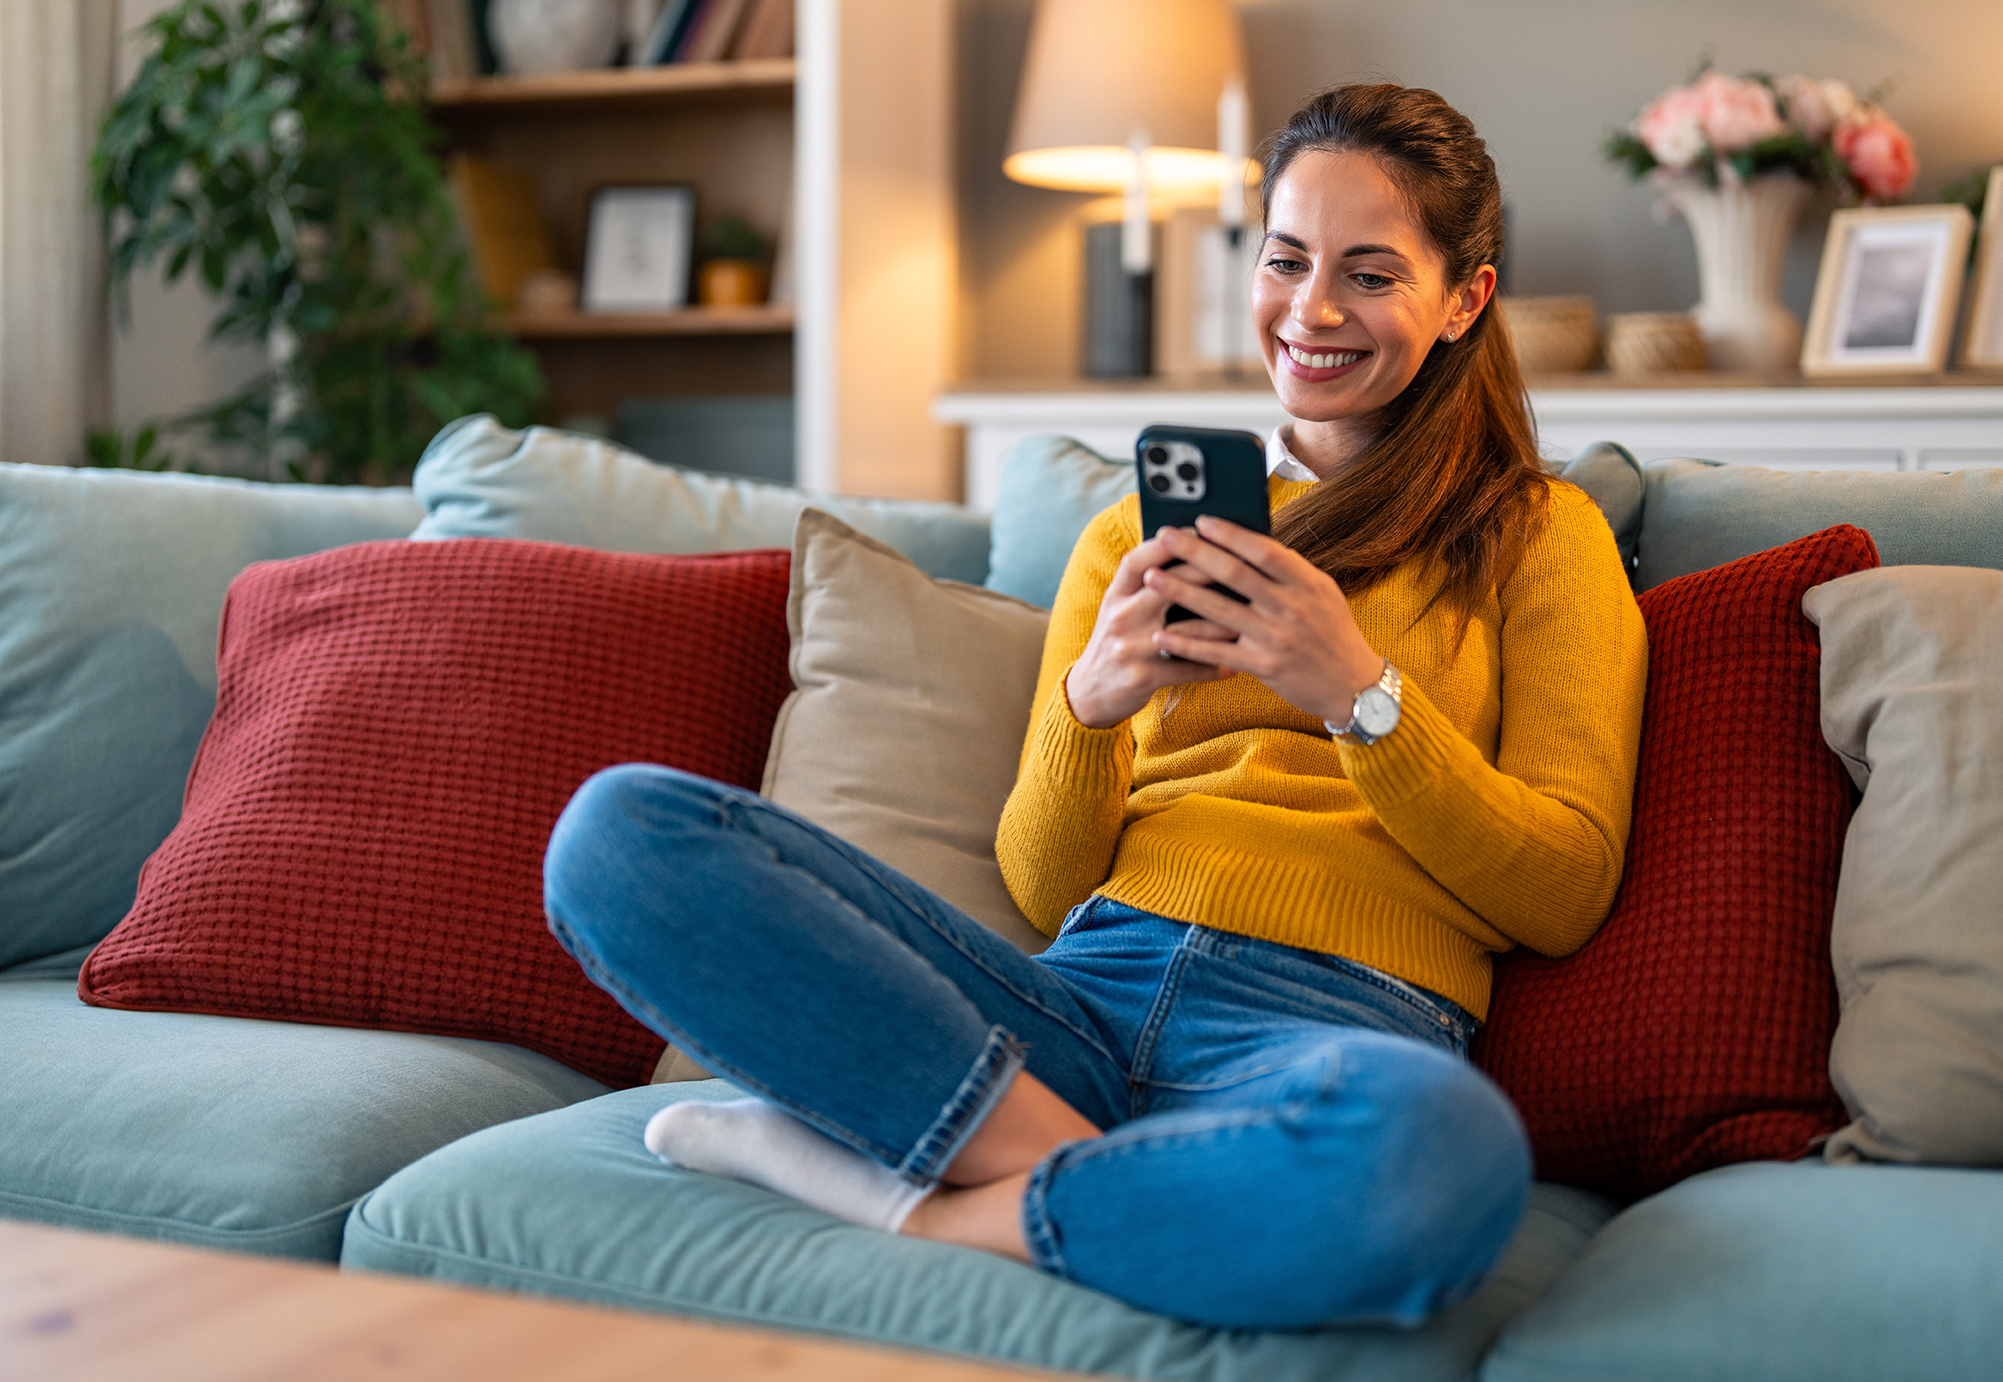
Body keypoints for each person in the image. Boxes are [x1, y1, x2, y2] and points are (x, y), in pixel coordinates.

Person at [542, 83, 1647, 1332]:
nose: (1313, 309)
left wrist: (1359, 694)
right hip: (1075, 999)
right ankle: (1080, 1170)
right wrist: (1089, 703)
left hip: (1329, 1038)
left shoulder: (1538, 534)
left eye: (1371, 272)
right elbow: (1043, 875)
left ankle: (945, 1200)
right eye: (1284, 259)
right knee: (621, 835)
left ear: (1465, 299)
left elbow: (1561, 890)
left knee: (1445, 1155)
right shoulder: (1132, 531)